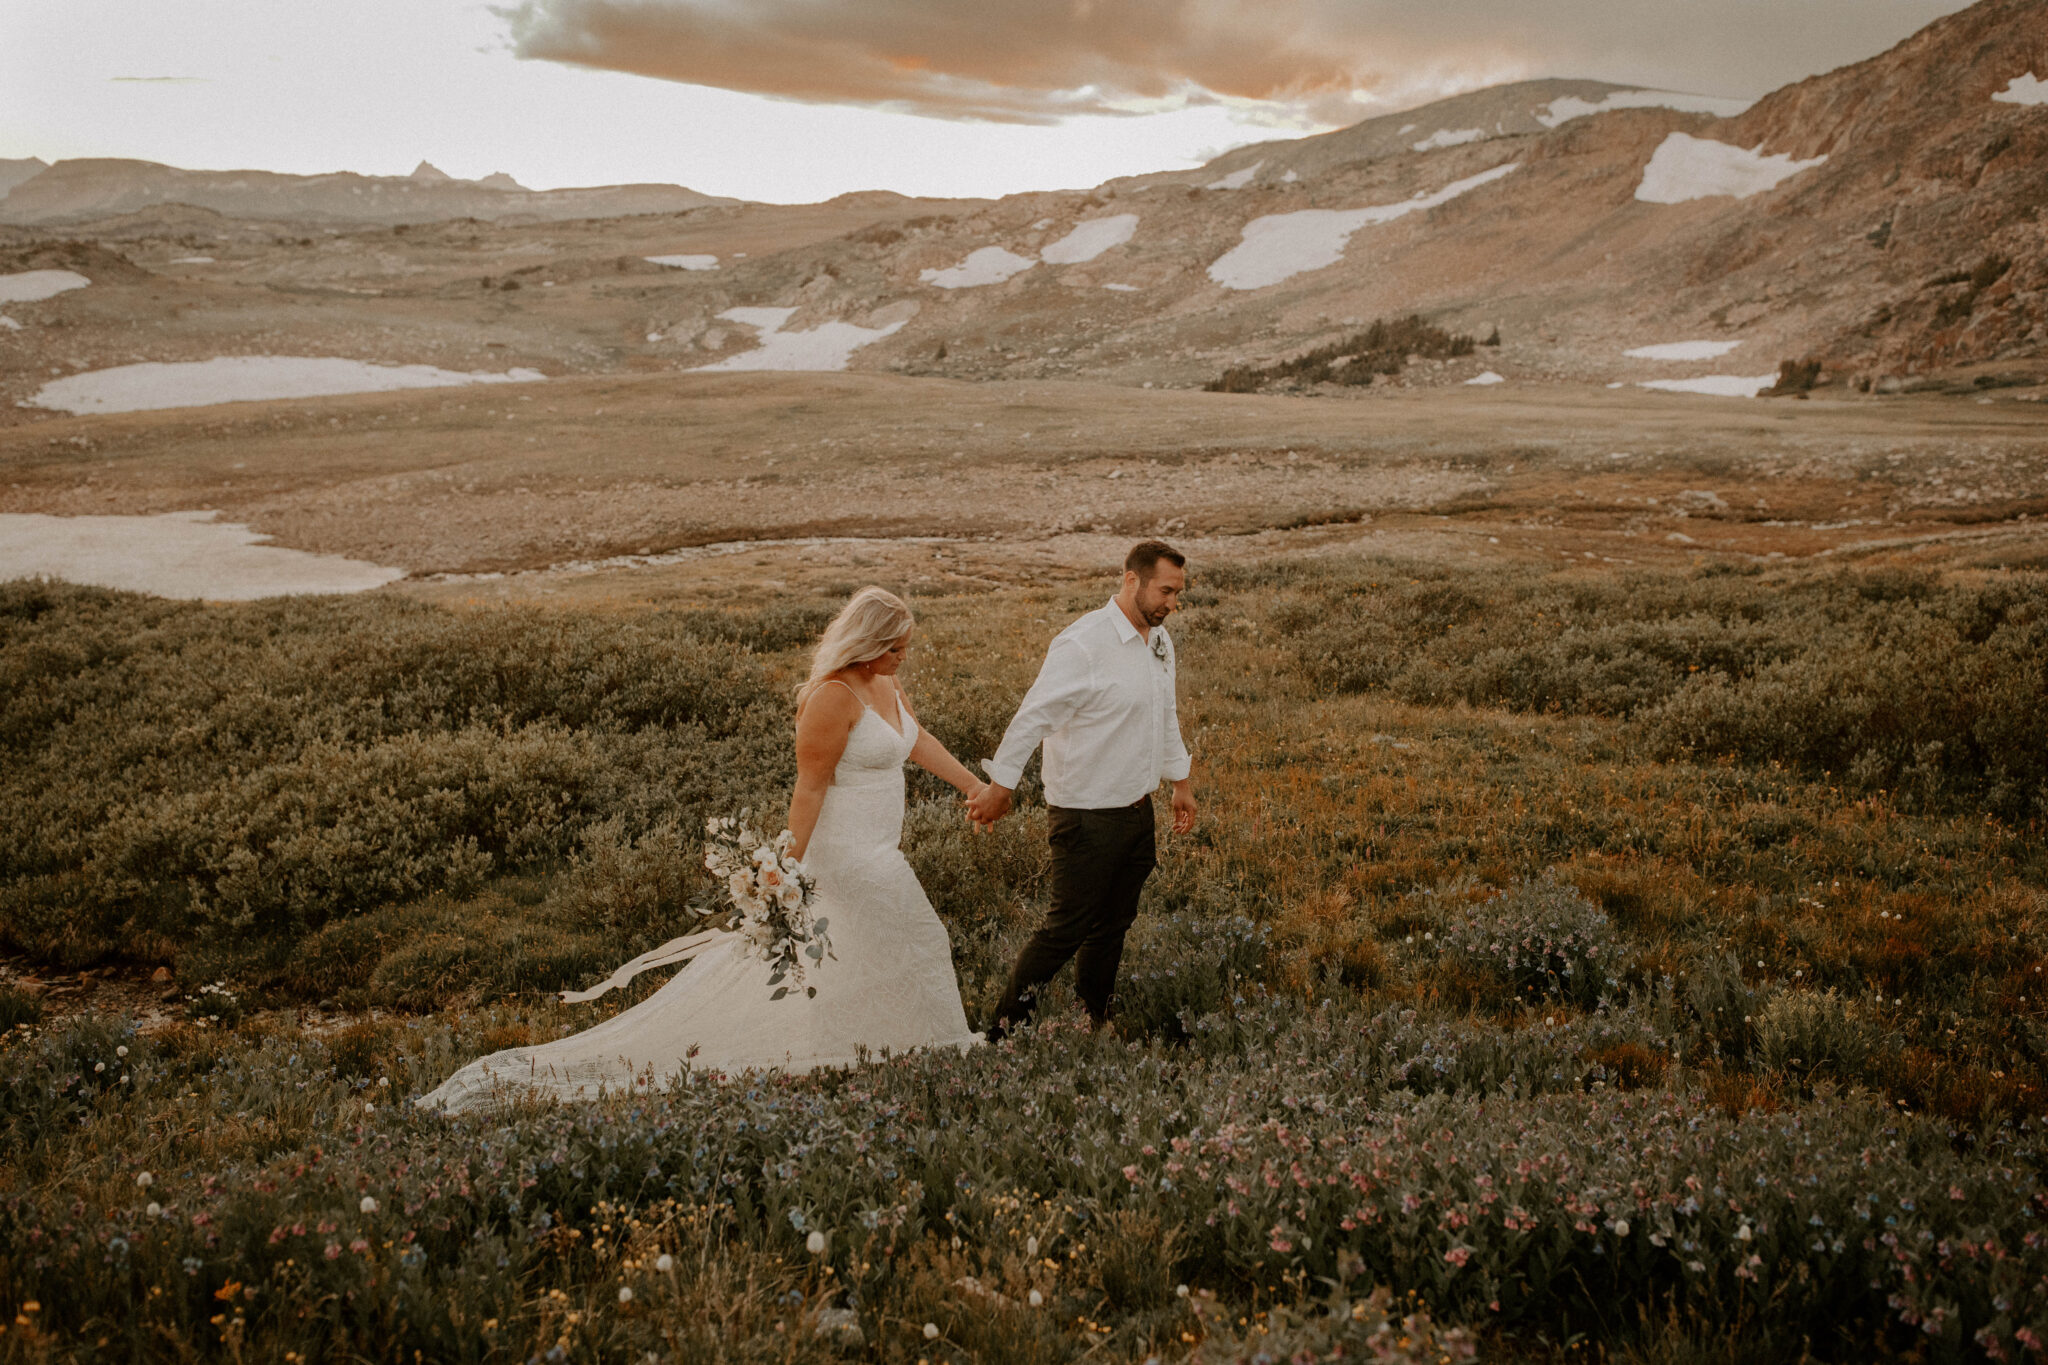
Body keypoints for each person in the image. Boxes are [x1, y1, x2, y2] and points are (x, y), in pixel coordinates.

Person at [417, 587, 984, 1113]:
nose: (904, 657)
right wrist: (785, 870)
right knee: (919, 938)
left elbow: (918, 740)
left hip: (884, 846)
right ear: (869, 646)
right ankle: (920, 1054)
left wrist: (973, 787)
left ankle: (872, 1053)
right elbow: (808, 788)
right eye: (897, 648)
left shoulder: (884, 684)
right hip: (845, 852)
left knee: (866, 951)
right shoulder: (832, 697)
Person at [967, 540, 1196, 1040]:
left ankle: (1096, 1017)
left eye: (1178, 593)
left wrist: (1180, 780)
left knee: (1113, 925)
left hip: (1138, 811)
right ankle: (1002, 1034)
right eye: (1166, 591)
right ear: (1131, 580)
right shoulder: (1082, 644)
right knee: (1064, 930)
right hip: (1085, 816)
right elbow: (1033, 718)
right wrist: (1001, 786)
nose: (1172, 604)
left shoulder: (1160, 641)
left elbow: (1166, 713)